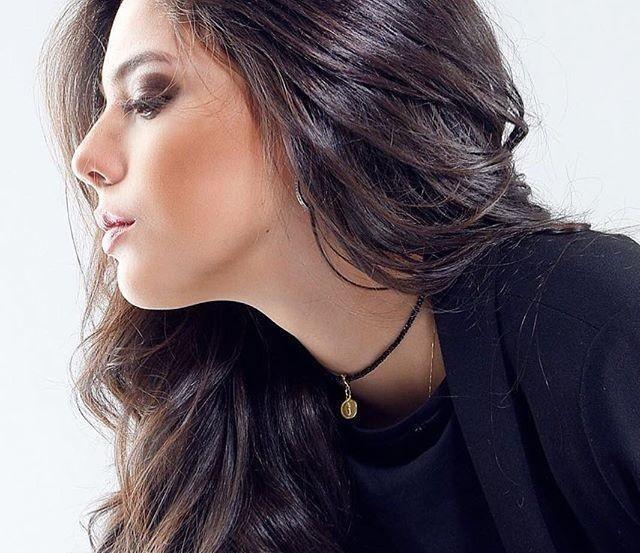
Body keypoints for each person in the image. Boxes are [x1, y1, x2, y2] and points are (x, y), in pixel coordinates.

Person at [36, 0, 640, 551]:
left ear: (318, 95)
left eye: (147, 98)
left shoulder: (595, 323)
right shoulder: (223, 435)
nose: (87, 158)